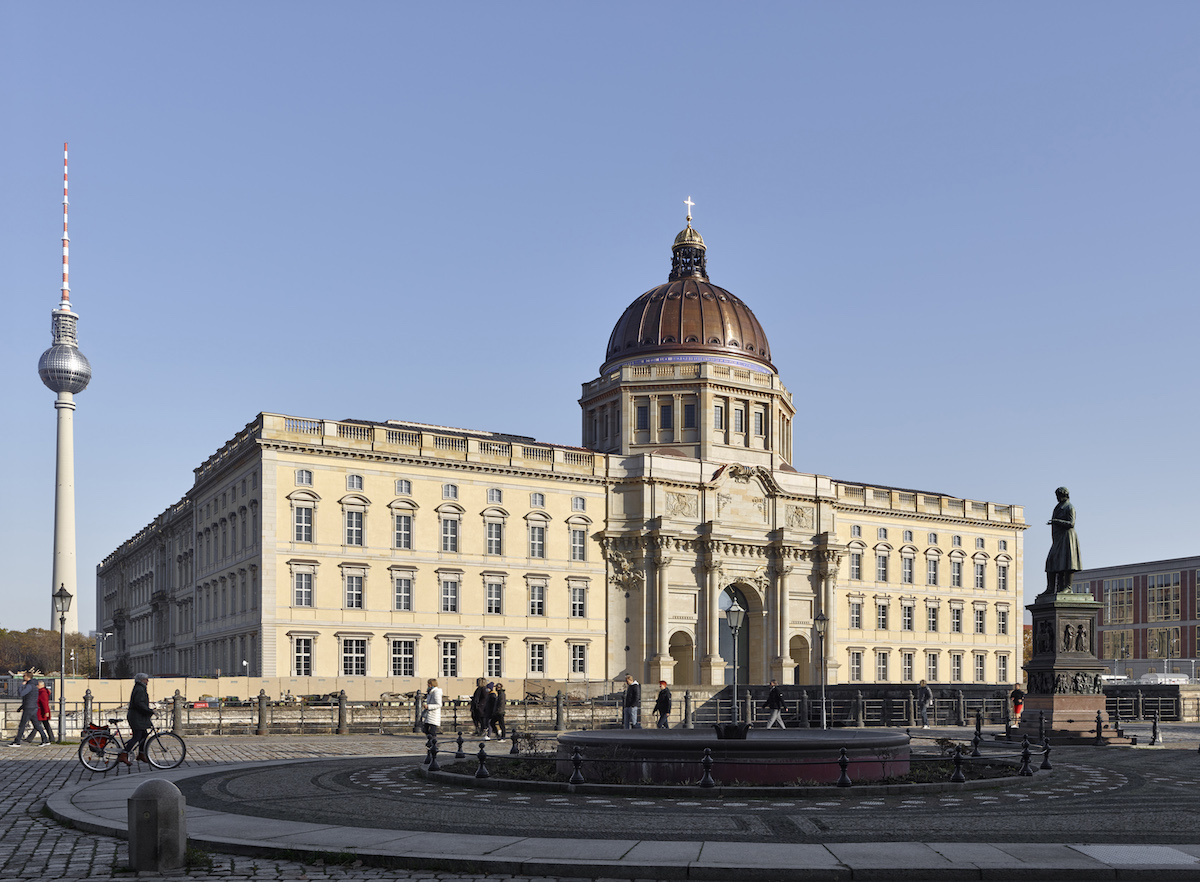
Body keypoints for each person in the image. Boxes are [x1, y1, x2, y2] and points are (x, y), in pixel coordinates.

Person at [1044, 486, 1082, 595]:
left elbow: (1071, 523)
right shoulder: (1058, 507)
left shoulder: (1069, 507)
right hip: (1058, 539)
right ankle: (1051, 588)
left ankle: (1067, 587)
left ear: (1063, 495)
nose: (1057, 498)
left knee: (1067, 562)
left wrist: (1056, 521)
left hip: (1067, 537)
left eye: (1058, 496)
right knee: (1051, 561)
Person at [119, 672, 154, 765]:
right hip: (136, 717)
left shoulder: (140, 688)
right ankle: (124, 754)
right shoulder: (140, 689)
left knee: (144, 735)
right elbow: (139, 703)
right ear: (141, 680)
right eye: (146, 679)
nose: (148, 681)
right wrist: (149, 711)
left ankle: (141, 754)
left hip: (137, 716)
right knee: (137, 736)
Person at [9, 673, 49, 746]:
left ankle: (17, 742)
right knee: (36, 725)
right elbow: (29, 698)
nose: (23, 677)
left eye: (24, 676)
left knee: (22, 725)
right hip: (33, 707)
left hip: (29, 708)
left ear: (28, 677)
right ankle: (45, 740)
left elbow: (21, 694)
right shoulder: (34, 685)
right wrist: (20, 708)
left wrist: (21, 686)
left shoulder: (29, 686)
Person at [34, 680, 53, 744]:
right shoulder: (42, 692)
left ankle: (29, 738)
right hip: (42, 711)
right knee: (46, 725)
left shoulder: (42, 692)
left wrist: (46, 711)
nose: (37, 686)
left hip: (41, 711)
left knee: (37, 724)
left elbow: (44, 703)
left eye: (38, 685)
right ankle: (51, 738)